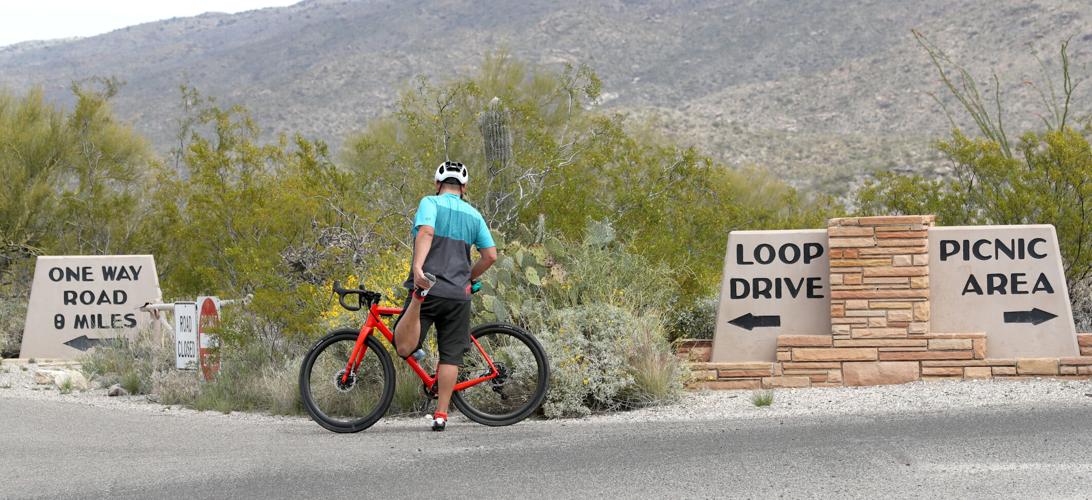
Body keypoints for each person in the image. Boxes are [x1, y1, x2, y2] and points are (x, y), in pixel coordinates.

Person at [393, 160, 497, 431]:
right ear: (463, 187)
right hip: (458, 295)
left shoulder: (430, 202)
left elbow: (426, 231)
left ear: (438, 184)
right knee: (450, 356)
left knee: (404, 345)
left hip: (428, 289)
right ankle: (441, 415)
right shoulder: (474, 215)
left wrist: (418, 268)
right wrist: (470, 277)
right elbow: (490, 256)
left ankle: (418, 352)